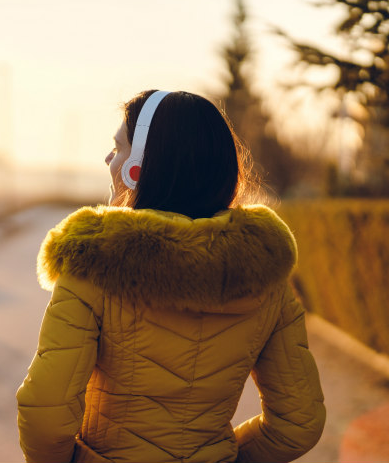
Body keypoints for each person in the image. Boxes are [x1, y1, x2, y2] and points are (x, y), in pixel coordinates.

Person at [16, 89, 325, 463]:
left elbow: (45, 416)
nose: (108, 158)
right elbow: (299, 423)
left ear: (140, 167)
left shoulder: (93, 264)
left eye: (119, 148)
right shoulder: (265, 276)